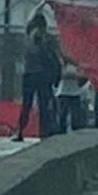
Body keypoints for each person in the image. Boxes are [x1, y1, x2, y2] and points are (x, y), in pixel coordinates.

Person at [13, 8, 64, 142]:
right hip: (44, 76)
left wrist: (38, 8)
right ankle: (44, 133)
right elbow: (56, 59)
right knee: (44, 105)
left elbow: (28, 22)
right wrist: (57, 77)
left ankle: (20, 132)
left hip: (29, 75)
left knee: (26, 104)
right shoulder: (50, 39)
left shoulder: (28, 38)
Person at [57, 62, 87, 133]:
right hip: (64, 93)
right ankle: (62, 129)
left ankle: (76, 128)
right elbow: (61, 75)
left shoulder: (79, 66)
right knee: (63, 113)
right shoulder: (63, 65)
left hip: (75, 93)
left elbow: (83, 77)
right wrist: (75, 75)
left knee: (75, 114)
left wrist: (74, 75)